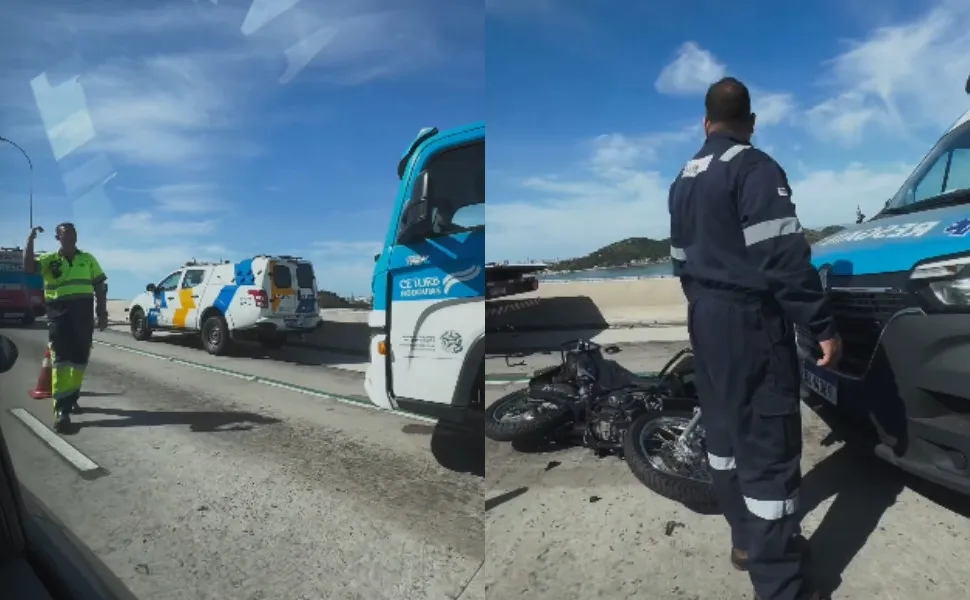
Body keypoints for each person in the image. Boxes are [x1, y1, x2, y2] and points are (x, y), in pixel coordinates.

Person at [667, 77, 841, 600]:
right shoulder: (754, 166)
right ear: (752, 121)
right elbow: (783, 256)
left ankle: (745, 542)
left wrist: (706, 305)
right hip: (748, 321)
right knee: (767, 443)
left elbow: (680, 260)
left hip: (705, 316)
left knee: (724, 437)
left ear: (705, 122)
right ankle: (780, 584)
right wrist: (821, 324)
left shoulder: (682, 178)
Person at [23, 223, 109, 433]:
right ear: (57, 239)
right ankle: (62, 411)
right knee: (61, 361)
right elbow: (28, 267)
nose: (70, 238)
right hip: (59, 317)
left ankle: (71, 398)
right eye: (65, 235)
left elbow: (99, 286)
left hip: (83, 318)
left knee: (79, 361)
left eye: (73, 235)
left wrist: (102, 312)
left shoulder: (88, 259)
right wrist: (30, 241)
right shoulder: (49, 260)